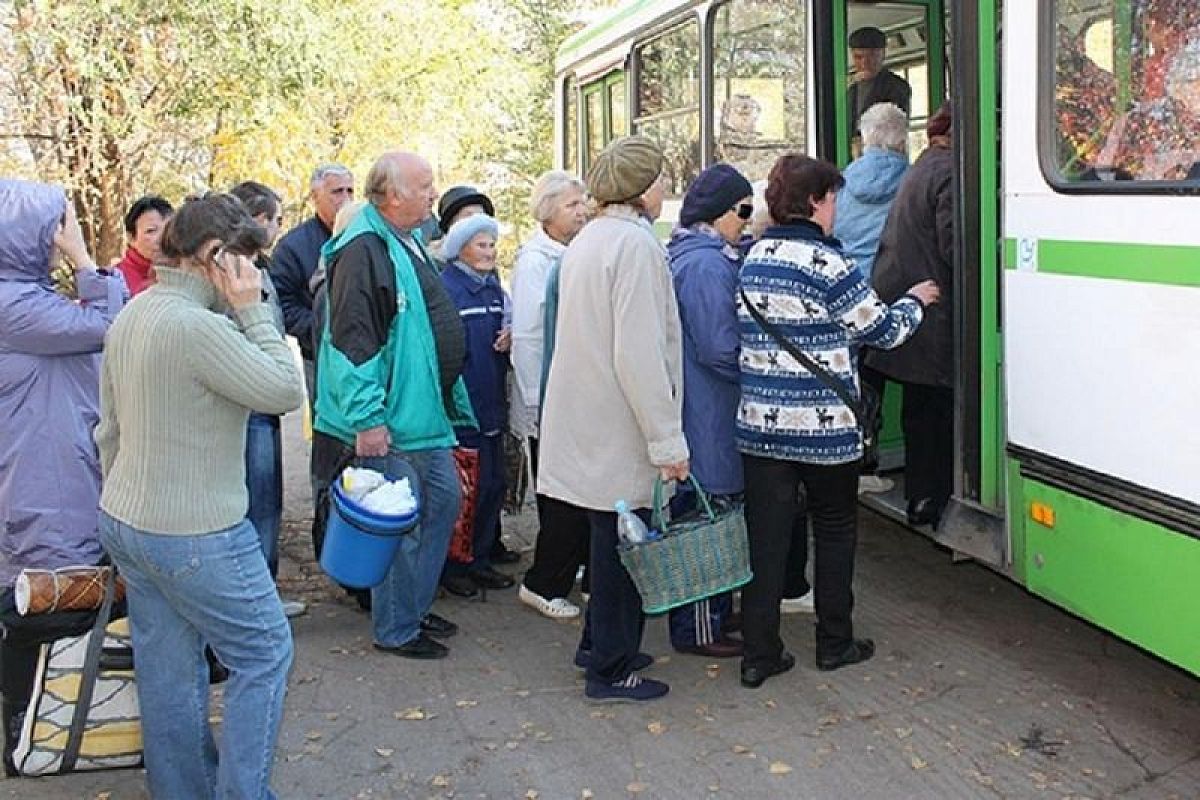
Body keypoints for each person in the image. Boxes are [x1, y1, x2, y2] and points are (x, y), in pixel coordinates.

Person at [95, 194, 304, 798]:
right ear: (215, 257)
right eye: (247, 262)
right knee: (263, 652)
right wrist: (253, 312)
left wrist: (127, 502)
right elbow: (283, 389)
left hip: (130, 518)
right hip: (197, 531)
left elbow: (107, 431)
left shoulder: (136, 312)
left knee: (168, 671)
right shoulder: (198, 327)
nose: (254, 275)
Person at [738, 154, 939, 688]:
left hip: (762, 429)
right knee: (833, 532)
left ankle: (759, 654)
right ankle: (835, 642)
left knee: (767, 542)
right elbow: (884, 331)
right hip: (826, 434)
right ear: (814, 202)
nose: (836, 210)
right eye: (832, 200)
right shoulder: (831, 265)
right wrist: (916, 301)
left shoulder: (753, 257)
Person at [539, 135, 688, 703]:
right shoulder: (637, 246)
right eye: (660, 179)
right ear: (643, 188)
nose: (665, 190)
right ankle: (612, 667)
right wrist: (667, 440)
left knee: (606, 539)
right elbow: (640, 353)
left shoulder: (590, 238)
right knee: (625, 551)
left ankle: (597, 645)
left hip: (589, 418)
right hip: (620, 424)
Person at [312, 151, 473, 660]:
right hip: (392, 419)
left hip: (422, 414)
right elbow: (353, 343)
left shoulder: (405, 241)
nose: (434, 194)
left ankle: (412, 607)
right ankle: (396, 626)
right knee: (404, 521)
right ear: (394, 195)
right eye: (425, 186)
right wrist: (368, 419)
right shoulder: (363, 249)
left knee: (443, 503)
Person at [0, 180, 128, 773]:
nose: (61, 238)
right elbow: (118, 328)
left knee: (37, 599)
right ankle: (30, 739)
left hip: (47, 465)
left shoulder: (22, 298)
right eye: (54, 226)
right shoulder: (16, 306)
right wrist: (84, 261)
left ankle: (36, 731)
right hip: (44, 477)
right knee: (43, 606)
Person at [665, 163, 753, 660]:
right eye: (743, 210)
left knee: (712, 514)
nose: (747, 220)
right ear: (722, 213)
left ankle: (713, 611)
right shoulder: (705, 265)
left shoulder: (698, 256)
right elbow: (719, 346)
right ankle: (699, 626)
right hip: (710, 411)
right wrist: (760, 370)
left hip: (702, 407)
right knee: (708, 520)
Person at [867, 104, 956, 528]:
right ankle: (930, 500)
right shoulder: (950, 172)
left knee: (920, 413)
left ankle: (921, 496)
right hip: (931, 311)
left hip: (907, 304)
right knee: (936, 415)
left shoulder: (921, 167)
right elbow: (955, 246)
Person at [512, 170, 592, 620]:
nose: (581, 211)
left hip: (572, 394)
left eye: (583, 202)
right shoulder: (536, 261)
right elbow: (527, 336)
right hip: (548, 398)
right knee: (561, 499)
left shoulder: (570, 252)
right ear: (546, 213)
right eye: (570, 205)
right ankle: (544, 582)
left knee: (577, 494)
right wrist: (536, 405)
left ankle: (569, 567)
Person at [230, 180, 308, 619]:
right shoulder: (238, 274)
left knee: (267, 503)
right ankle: (257, 602)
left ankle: (264, 592)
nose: (278, 228)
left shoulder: (258, 267)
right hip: (253, 403)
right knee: (258, 505)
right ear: (257, 220)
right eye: (276, 219)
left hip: (264, 402)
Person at [835, 101, 912, 497]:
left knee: (856, 381)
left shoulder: (843, 183)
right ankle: (872, 463)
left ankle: (856, 463)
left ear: (864, 139)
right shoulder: (910, 180)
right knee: (881, 380)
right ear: (902, 139)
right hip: (889, 295)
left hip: (847, 294)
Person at [437, 214, 515, 596]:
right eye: (482, 245)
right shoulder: (448, 289)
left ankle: (480, 559)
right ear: (461, 249)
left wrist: (509, 338)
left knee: (491, 486)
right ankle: (455, 567)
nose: (490, 252)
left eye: (491, 245)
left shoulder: (493, 289)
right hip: (463, 406)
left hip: (492, 402)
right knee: (465, 491)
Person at [270, 163, 355, 398]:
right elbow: (280, 303)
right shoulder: (293, 247)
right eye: (337, 192)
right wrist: (321, 329)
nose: (346, 199)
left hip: (367, 355)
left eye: (350, 191)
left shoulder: (366, 237)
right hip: (319, 359)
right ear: (315, 197)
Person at [848, 26, 912, 135]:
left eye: (871, 56)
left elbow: (894, 128)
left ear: (883, 54)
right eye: (858, 57)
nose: (864, 63)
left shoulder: (897, 86)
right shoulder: (849, 87)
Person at [113, 195, 173, 296]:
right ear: (131, 238)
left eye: (169, 229)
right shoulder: (115, 281)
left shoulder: (185, 272)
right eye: (151, 231)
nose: (163, 238)